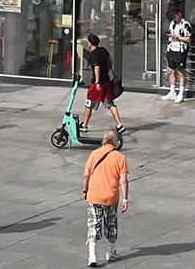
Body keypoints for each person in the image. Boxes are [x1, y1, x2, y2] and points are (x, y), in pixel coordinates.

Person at [82, 130, 128, 268]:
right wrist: (125, 199)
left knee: (93, 224)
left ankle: (92, 256)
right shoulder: (120, 157)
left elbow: (86, 175)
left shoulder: (94, 154)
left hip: (94, 195)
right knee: (111, 224)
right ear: (116, 142)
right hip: (111, 196)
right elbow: (124, 181)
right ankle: (111, 252)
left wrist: (85, 190)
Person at [80, 34, 125, 133]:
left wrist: (97, 81)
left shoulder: (93, 54)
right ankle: (119, 125)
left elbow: (97, 67)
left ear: (90, 43)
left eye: (88, 41)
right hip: (107, 82)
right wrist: (107, 70)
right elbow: (111, 60)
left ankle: (84, 125)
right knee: (110, 104)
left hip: (98, 84)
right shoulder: (103, 50)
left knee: (89, 104)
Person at [164, 8, 193, 103]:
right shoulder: (172, 23)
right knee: (171, 70)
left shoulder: (186, 24)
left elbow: (188, 38)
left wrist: (177, 37)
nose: (174, 19)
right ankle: (172, 91)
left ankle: (181, 93)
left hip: (180, 51)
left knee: (181, 72)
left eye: (175, 16)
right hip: (171, 48)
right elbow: (169, 32)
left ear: (179, 14)